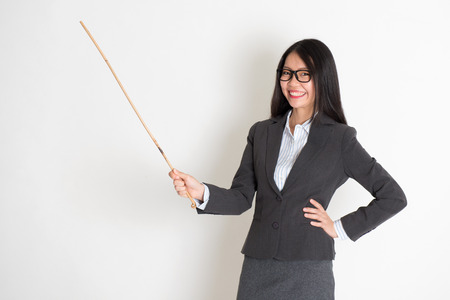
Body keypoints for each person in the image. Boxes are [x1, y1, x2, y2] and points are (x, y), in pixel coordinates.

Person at [169, 39, 407, 300]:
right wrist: (201, 192)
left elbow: (393, 197)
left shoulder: (340, 139)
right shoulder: (261, 133)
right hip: (257, 267)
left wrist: (339, 227)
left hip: (309, 271)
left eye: (304, 75)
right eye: (287, 73)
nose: (293, 83)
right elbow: (241, 199)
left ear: (323, 79)